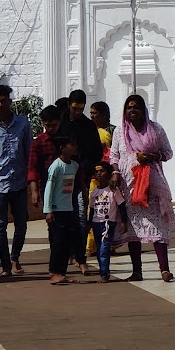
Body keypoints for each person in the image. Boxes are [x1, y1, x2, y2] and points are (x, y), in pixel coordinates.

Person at [111, 94, 175, 281]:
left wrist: (151, 157)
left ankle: (164, 269)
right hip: (129, 185)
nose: (132, 111)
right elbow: (114, 156)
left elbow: (167, 153)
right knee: (134, 230)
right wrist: (116, 173)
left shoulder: (155, 129)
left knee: (157, 227)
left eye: (136, 108)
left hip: (152, 184)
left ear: (143, 111)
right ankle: (137, 272)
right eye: (129, 108)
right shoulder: (120, 131)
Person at [0, 84, 33, 278]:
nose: (0, 105)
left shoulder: (23, 123)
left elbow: (29, 152)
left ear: (10, 102)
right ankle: (5, 266)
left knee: (21, 224)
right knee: (0, 226)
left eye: (3, 101)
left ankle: (15, 257)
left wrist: (32, 181)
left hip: (19, 181)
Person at [64, 90, 105, 275]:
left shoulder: (89, 126)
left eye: (81, 108)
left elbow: (96, 153)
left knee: (81, 216)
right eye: (75, 108)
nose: (78, 112)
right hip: (63, 179)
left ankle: (79, 255)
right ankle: (66, 253)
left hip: (82, 178)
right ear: (69, 105)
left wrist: (84, 167)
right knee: (64, 217)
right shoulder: (62, 122)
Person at [25, 104, 64, 277]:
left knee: (68, 226)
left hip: (68, 189)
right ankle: (55, 265)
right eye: (47, 125)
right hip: (47, 189)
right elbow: (32, 168)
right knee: (53, 225)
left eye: (54, 125)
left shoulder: (65, 140)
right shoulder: (39, 142)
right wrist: (34, 192)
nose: (50, 129)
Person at [43, 135, 80, 286]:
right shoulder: (56, 166)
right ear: (63, 148)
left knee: (67, 242)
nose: (75, 147)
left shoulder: (74, 166)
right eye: (71, 144)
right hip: (57, 210)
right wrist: (48, 210)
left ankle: (62, 273)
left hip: (68, 209)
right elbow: (49, 188)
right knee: (58, 242)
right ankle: (54, 271)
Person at [87, 160, 125, 282]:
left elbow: (122, 205)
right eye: (96, 171)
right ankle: (103, 270)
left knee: (104, 247)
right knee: (99, 248)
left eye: (102, 171)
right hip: (96, 223)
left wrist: (124, 221)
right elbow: (92, 209)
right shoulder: (94, 192)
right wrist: (89, 223)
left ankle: (104, 274)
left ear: (108, 173)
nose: (99, 174)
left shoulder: (113, 190)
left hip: (108, 224)